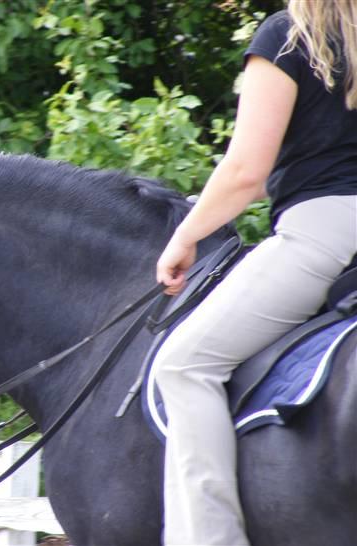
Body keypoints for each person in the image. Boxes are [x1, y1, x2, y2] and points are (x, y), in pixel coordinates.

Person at [153, 1, 357, 544]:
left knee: (182, 366)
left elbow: (247, 173)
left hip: (327, 232)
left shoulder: (289, 38)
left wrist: (184, 235)